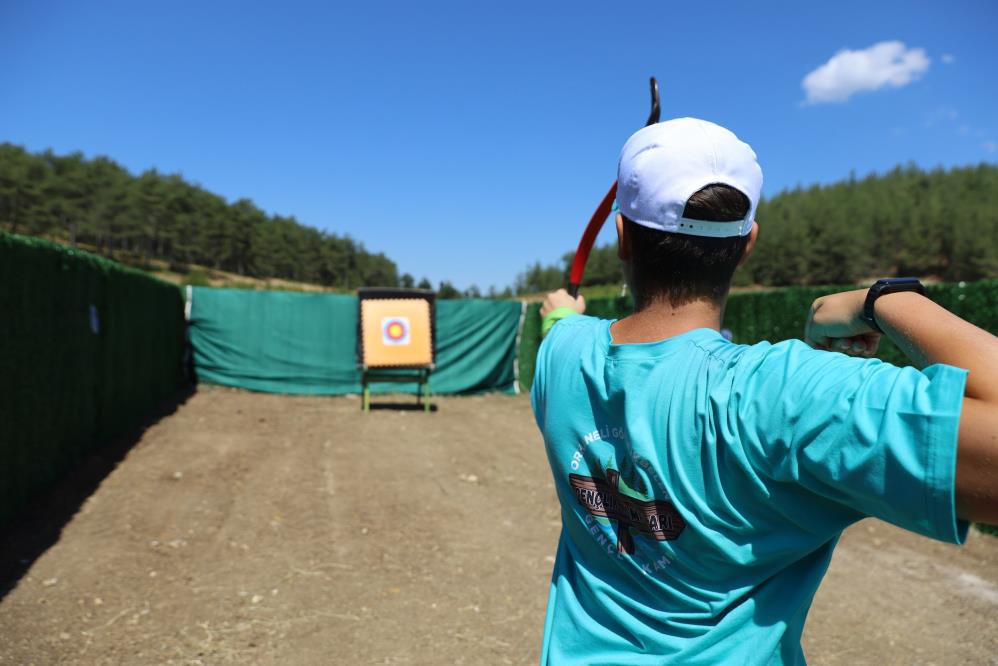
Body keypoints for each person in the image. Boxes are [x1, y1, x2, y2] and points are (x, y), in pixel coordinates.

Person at [531, 117, 998, 665]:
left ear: (622, 238)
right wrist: (883, 300)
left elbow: (560, 319)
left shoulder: (560, 355)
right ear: (747, 243)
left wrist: (561, 312)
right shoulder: (785, 395)